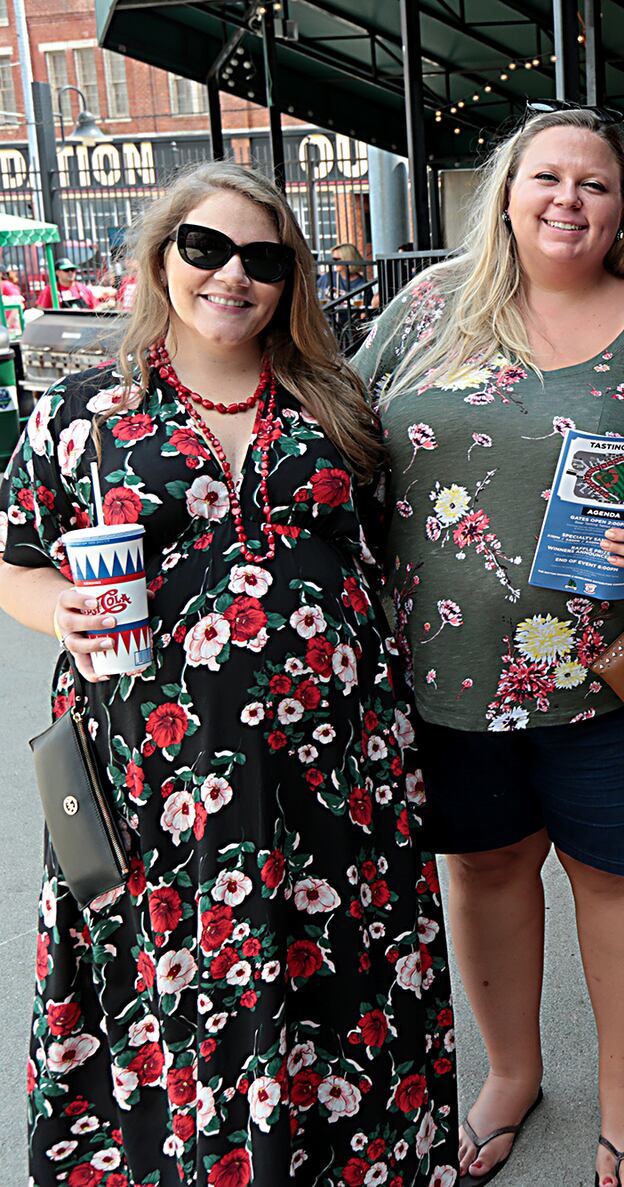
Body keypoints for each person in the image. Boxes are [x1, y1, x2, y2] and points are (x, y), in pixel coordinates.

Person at [0, 161, 457, 1185]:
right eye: (205, 248)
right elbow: (13, 557)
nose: (231, 275)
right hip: (161, 776)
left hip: (338, 767)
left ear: (289, 277)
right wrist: (57, 611)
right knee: (181, 971)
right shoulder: (83, 412)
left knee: (340, 970)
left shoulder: (336, 404)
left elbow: (390, 557)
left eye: (262, 257)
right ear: (162, 257)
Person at [352, 107, 624, 1187]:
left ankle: (623, 1076)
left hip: (611, 674)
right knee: (486, 869)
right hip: (443, 678)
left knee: (619, 874)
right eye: (548, 177)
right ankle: (513, 1070)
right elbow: (337, 427)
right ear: (508, 189)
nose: (569, 199)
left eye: (595, 183)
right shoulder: (429, 308)